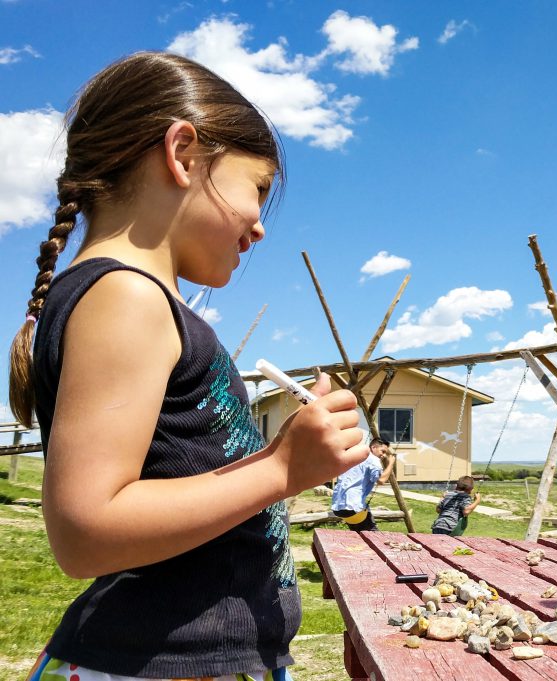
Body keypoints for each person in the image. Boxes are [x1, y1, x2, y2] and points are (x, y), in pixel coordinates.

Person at [10, 52, 369, 681]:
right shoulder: (125, 297)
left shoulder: (137, 303)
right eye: (256, 190)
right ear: (182, 153)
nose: (259, 228)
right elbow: (85, 532)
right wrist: (282, 468)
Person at [330, 437, 395, 531]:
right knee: (373, 535)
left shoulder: (356, 456)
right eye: (383, 451)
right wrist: (391, 464)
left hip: (338, 505)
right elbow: (381, 480)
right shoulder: (373, 460)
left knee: (359, 534)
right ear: (374, 447)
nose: (384, 455)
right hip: (352, 505)